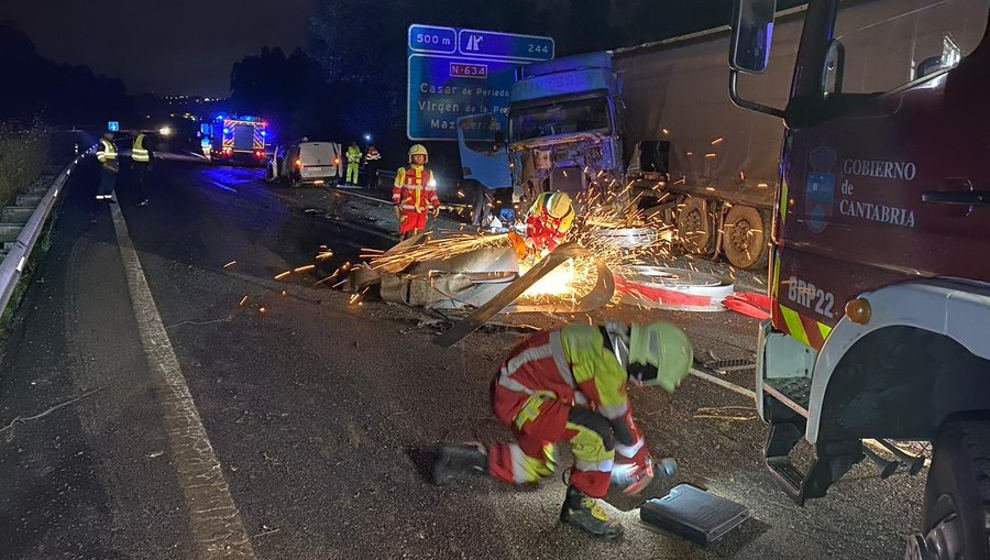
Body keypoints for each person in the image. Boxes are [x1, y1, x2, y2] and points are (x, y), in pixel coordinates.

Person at [433, 321, 693, 540]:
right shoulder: (605, 362)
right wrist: (639, 461)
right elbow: (618, 420)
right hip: (522, 400)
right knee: (597, 433)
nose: (645, 383)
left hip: (523, 391)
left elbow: (605, 403)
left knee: (538, 466)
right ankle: (580, 505)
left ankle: (460, 459)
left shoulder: (606, 343)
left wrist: (638, 456)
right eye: (650, 376)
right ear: (644, 360)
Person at [509, 190, 575, 260]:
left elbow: (558, 237)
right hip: (538, 223)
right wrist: (529, 235)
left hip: (552, 231)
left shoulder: (568, 216)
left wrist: (549, 250)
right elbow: (531, 219)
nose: (550, 218)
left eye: (553, 217)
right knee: (530, 241)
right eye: (549, 214)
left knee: (556, 247)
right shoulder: (542, 199)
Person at [392, 144, 439, 240]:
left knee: (419, 236)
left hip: (422, 211)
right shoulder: (404, 171)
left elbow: (432, 191)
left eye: (421, 156)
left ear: (425, 157)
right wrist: (396, 204)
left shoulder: (428, 173)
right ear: (411, 157)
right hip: (408, 212)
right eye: (416, 155)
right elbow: (397, 189)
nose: (419, 158)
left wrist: (436, 205)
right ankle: (402, 253)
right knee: (406, 236)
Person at [95, 132, 119, 202]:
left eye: (112, 134)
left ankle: (107, 197)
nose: (112, 135)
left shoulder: (111, 142)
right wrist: (105, 162)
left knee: (111, 182)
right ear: (105, 134)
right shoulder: (103, 142)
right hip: (106, 166)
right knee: (104, 182)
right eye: (110, 134)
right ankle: (100, 198)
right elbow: (99, 154)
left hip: (113, 166)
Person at [131, 131, 152, 206]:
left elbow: (150, 151)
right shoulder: (135, 138)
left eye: (132, 131)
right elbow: (135, 152)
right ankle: (141, 198)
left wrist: (150, 164)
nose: (131, 132)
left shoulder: (143, 138)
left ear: (137, 131)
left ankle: (144, 199)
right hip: (137, 163)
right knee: (138, 182)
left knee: (141, 182)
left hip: (143, 164)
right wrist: (133, 163)